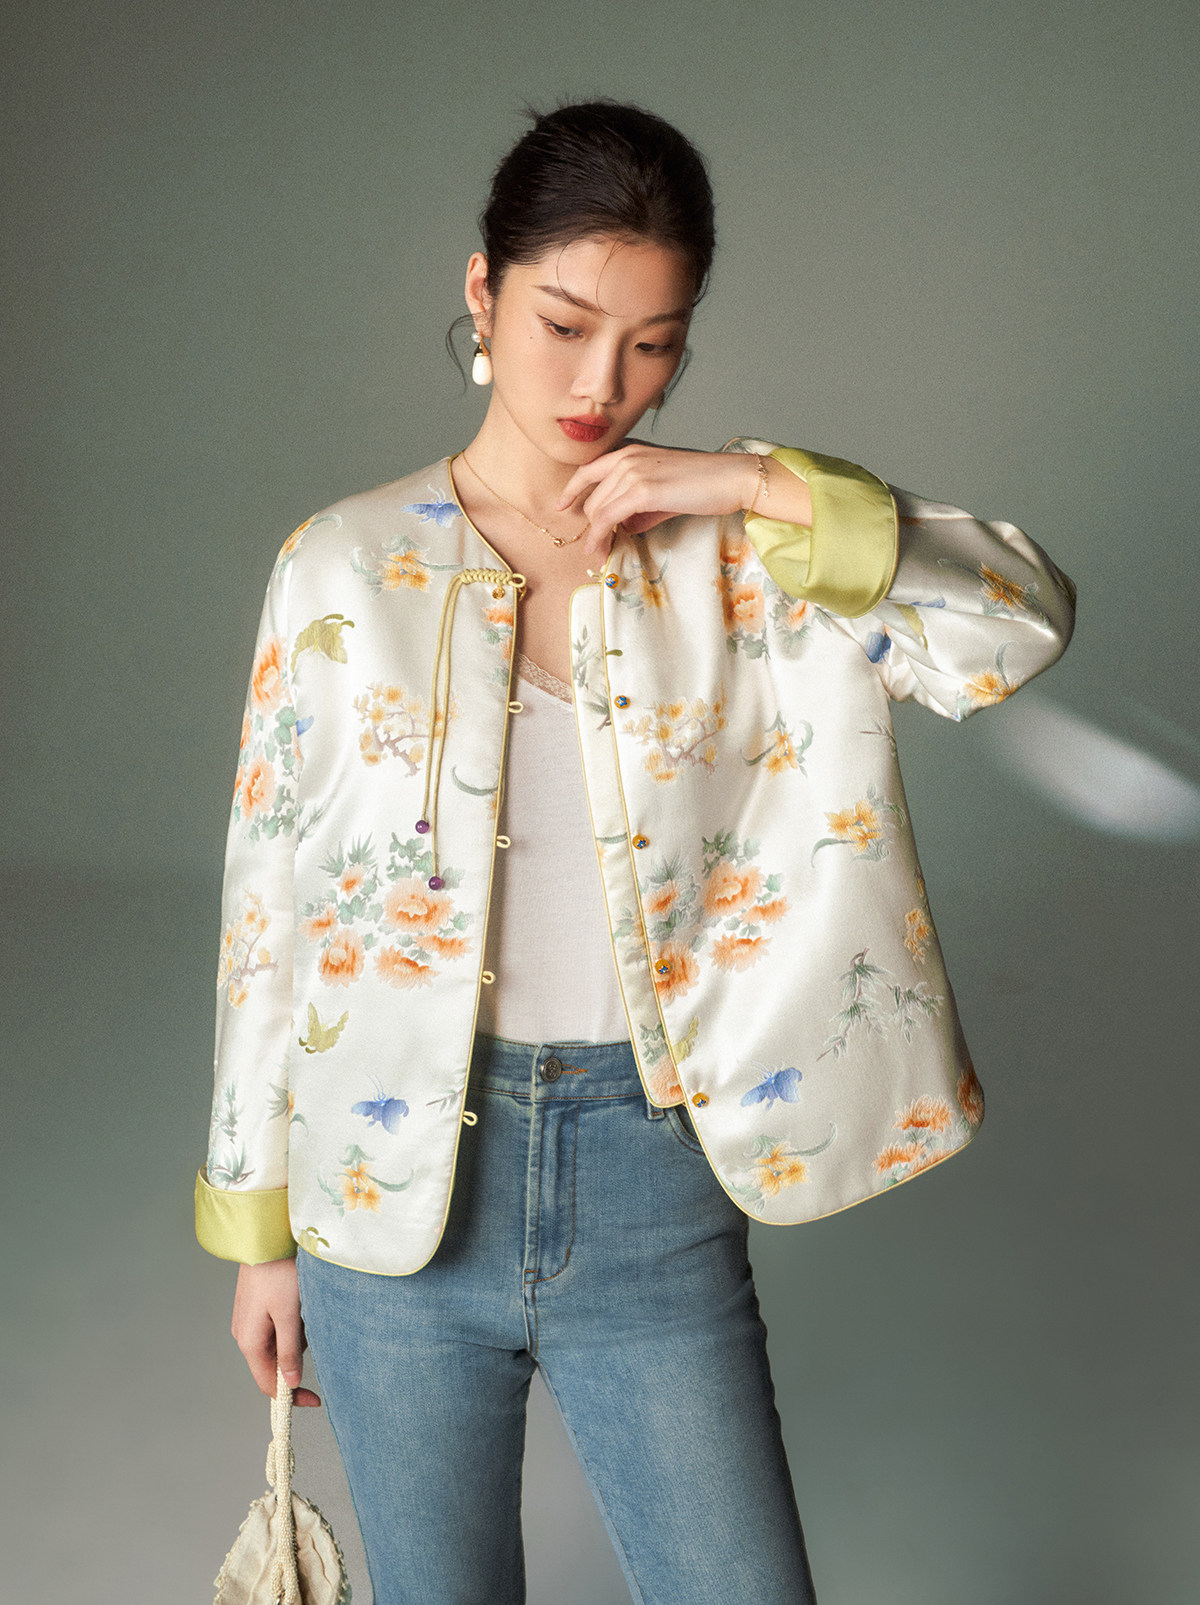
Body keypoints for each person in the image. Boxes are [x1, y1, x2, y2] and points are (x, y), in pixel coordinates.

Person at [196, 99, 1075, 1604]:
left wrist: (755, 484)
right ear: (482, 295)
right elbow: (270, 902)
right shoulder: (342, 563)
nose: (603, 384)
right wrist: (256, 1231)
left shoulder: (749, 553)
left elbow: (1018, 624)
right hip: (388, 1197)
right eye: (564, 325)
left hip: (653, 1177)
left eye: (654, 343)